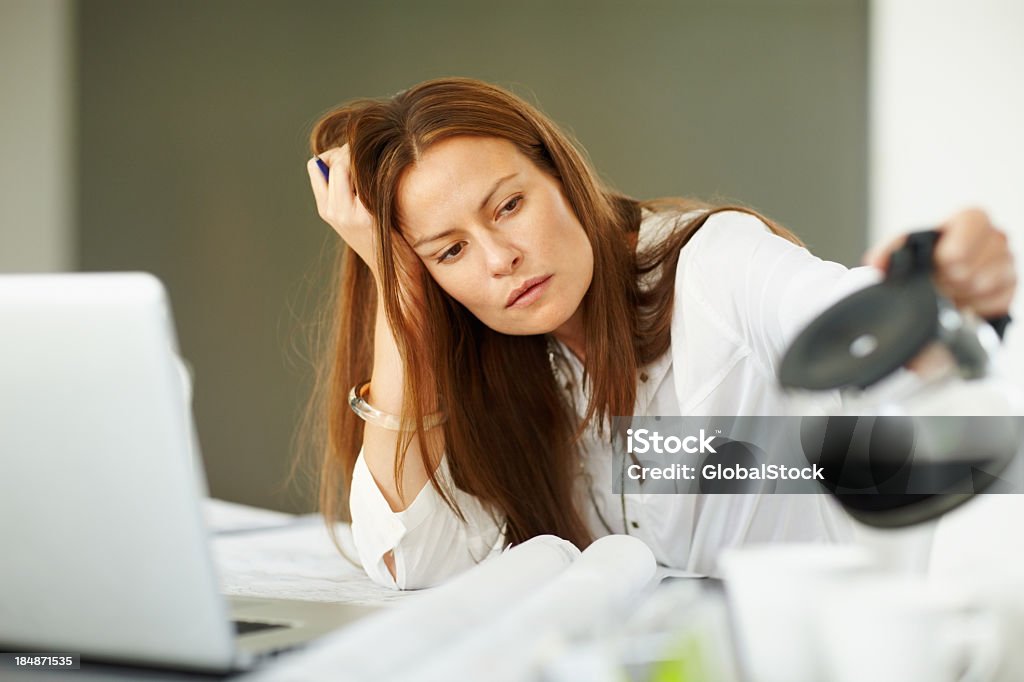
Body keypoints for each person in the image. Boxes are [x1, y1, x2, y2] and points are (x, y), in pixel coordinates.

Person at [302, 77, 1017, 590]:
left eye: (510, 205)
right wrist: (399, 292)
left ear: (561, 175)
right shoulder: (489, 360)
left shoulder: (715, 263)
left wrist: (948, 292)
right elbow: (414, 560)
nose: (498, 260)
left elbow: (854, 325)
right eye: (448, 251)